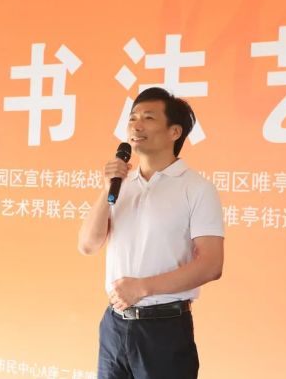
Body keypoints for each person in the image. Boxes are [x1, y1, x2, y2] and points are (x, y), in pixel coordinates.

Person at [78, 87, 224, 379]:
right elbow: (88, 245)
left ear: (174, 132)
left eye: (148, 118)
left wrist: (143, 287)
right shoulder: (122, 185)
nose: (136, 126)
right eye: (132, 118)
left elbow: (211, 265)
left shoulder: (196, 188)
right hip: (114, 326)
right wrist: (108, 188)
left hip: (164, 328)